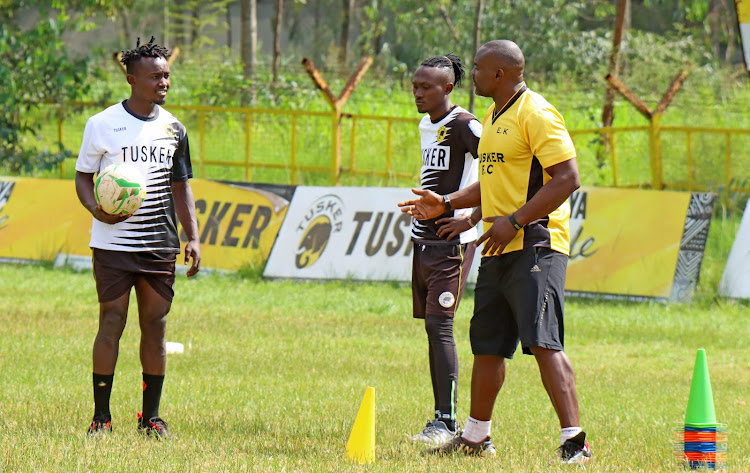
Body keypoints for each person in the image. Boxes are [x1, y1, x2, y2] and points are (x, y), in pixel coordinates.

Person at [398, 39, 591, 464]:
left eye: (481, 70)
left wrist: (517, 220)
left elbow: (567, 177)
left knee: (543, 343)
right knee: (486, 344)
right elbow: (494, 182)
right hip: (498, 244)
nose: (475, 77)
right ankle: (475, 438)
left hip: (537, 244)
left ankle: (575, 444)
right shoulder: (493, 114)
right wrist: (451, 206)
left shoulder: (536, 113)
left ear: (500, 75)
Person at [75, 36, 201, 438]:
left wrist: (193, 237)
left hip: (159, 243)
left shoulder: (174, 129)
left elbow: (181, 186)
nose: (163, 82)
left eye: (166, 75)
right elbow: (82, 178)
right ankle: (101, 417)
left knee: (156, 326)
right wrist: (97, 210)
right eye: (155, 76)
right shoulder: (101, 124)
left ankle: (151, 418)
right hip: (113, 244)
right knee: (112, 321)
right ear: (132, 79)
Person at [407, 54, 483, 446]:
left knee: (441, 326)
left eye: (426, 87)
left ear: (448, 88)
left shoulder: (467, 125)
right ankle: (441, 419)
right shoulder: (426, 124)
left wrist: (469, 218)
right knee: (431, 326)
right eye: (415, 85)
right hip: (425, 238)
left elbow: (502, 173)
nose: (417, 93)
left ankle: (446, 422)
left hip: (454, 241)